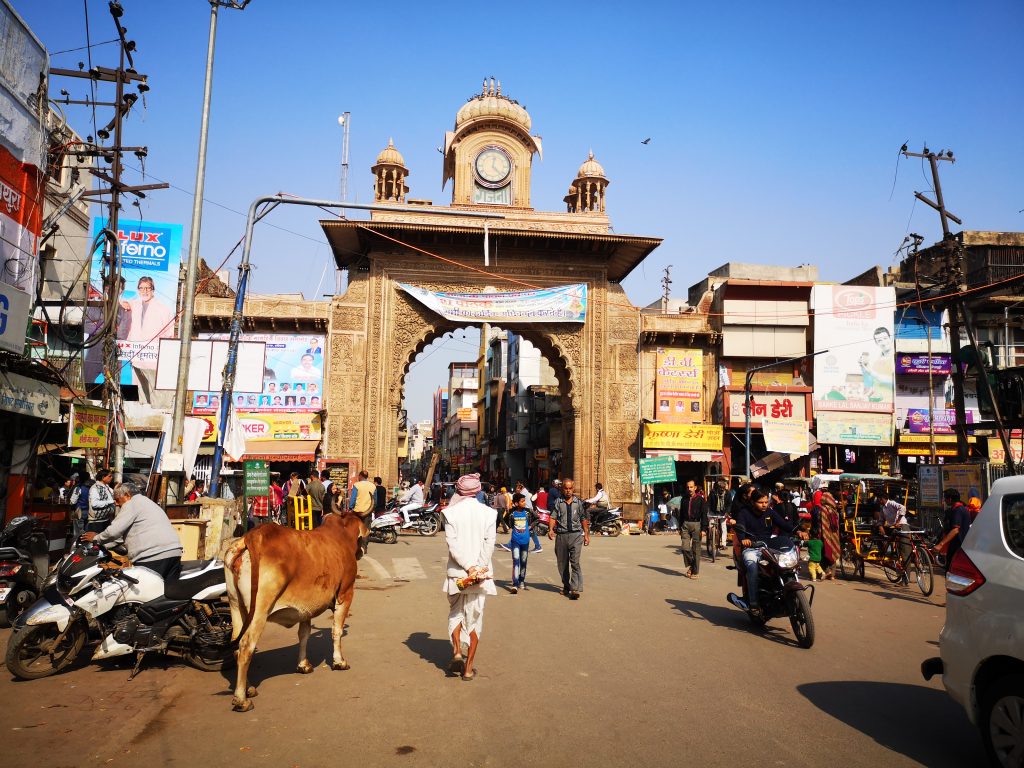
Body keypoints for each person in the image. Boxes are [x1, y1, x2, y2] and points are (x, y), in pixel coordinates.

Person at [441, 473, 496, 682]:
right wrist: (478, 568)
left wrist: (467, 566)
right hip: (480, 576)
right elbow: (488, 544)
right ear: (478, 490)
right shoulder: (489, 514)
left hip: (457, 573)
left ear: (459, 491)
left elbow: (452, 544)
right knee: (475, 618)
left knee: (455, 612)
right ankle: (468, 668)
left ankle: (456, 650)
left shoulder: (450, 513)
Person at [82, 481, 184, 580]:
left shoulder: (132, 504)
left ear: (127, 495)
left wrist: (96, 538)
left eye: (117, 500)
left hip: (153, 556)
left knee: (146, 595)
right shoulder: (147, 502)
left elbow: (114, 531)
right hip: (174, 552)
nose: (116, 504)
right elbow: (121, 537)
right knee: (166, 593)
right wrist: (104, 545)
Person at [734, 489, 807, 618]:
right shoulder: (744, 513)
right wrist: (743, 539)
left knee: (785, 564)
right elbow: (740, 528)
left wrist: (798, 531)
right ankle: (754, 603)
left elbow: (783, 524)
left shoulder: (769, 512)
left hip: (768, 545)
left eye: (766, 502)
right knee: (752, 567)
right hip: (751, 548)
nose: (764, 505)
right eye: (760, 502)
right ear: (752, 502)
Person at [548, 477, 589, 599]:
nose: (568, 491)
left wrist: (586, 534)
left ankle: (574, 588)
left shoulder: (579, 503)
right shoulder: (558, 502)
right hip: (561, 536)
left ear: (573, 489)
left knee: (575, 562)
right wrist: (550, 530)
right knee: (562, 563)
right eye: (565, 488)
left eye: (570, 488)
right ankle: (566, 586)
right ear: (562, 489)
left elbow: (583, 518)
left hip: (576, 536)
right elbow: (553, 517)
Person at [678, 479, 707, 579]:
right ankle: (692, 565)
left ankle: (695, 572)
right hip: (685, 525)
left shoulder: (701, 499)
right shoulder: (684, 499)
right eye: (688, 487)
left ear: (695, 488)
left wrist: (704, 529)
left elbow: (704, 515)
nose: (689, 489)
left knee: (696, 550)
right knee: (685, 548)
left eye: (691, 487)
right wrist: (679, 527)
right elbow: (681, 514)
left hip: (696, 525)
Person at [934, 488, 972, 564]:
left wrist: (941, 544)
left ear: (950, 499)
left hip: (957, 546)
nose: (944, 500)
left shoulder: (958, 510)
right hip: (961, 546)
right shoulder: (962, 509)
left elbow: (955, 530)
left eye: (945, 498)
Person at [508, 492, 536, 594]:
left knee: (523, 561)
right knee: (516, 561)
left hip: (525, 541)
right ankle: (515, 584)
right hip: (515, 541)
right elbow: (509, 523)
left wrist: (531, 526)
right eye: (522, 501)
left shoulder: (528, 512)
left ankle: (521, 581)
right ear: (516, 503)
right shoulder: (512, 513)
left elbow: (537, 518)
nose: (524, 503)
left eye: (525, 501)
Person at [810, 491, 842, 580]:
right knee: (833, 552)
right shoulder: (835, 511)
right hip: (834, 535)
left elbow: (820, 524)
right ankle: (832, 575)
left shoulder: (822, 509)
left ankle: (826, 571)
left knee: (825, 552)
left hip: (824, 534)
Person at [87, 468, 117, 533]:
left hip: (106, 520)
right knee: (96, 541)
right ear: (103, 477)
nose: (111, 478)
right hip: (97, 523)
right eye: (109, 476)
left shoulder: (106, 487)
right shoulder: (95, 488)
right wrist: (111, 502)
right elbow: (94, 504)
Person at [69, 472, 92, 537]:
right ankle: (86, 543)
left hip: (80, 511)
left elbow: (73, 501)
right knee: (87, 529)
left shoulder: (78, 488)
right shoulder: (92, 488)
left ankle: (79, 544)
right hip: (90, 511)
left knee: (79, 530)